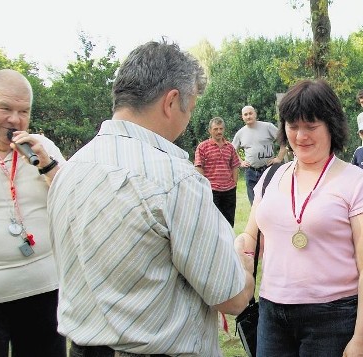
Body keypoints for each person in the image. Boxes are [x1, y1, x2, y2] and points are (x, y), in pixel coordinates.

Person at [47, 40, 254, 357]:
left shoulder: (69, 169)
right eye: (191, 107)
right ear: (172, 101)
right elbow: (232, 298)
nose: (187, 120)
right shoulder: (176, 179)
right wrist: (245, 262)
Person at [239, 79, 363, 356]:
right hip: (271, 311)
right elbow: (252, 236)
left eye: (311, 126)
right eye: (293, 126)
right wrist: (242, 248)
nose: (300, 136)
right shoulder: (271, 177)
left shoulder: (357, 182)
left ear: (331, 125)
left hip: (333, 316)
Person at [0, 69, 66, 357]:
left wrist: (49, 166)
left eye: (23, 111)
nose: (15, 119)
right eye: (5, 108)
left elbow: (75, 197)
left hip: (43, 292)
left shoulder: (41, 148)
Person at [232, 105, 287, 204]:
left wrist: (279, 158)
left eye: (250, 113)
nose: (248, 116)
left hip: (269, 169)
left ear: (255, 114)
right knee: (254, 203)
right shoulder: (241, 133)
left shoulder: (267, 127)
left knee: (271, 201)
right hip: (251, 172)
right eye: (246, 114)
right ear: (242, 117)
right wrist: (240, 162)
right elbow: (232, 150)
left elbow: (283, 141)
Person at [194, 116, 241, 227]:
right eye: (216, 129)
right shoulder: (202, 147)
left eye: (221, 129)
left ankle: (229, 243)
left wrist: (234, 184)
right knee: (213, 222)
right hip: (212, 190)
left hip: (229, 190)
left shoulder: (230, 147)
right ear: (210, 130)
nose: (219, 131)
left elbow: (235, 166)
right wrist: (204, 187)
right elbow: (199, 167)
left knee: (229, 222)